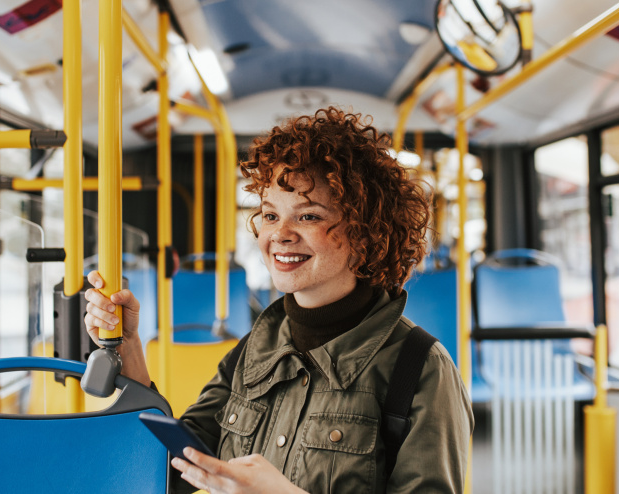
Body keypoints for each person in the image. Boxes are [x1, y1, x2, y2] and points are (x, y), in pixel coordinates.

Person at [84, 107, 474, 493]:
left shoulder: (419, 369)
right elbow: (173, 468)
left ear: (367, 233)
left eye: (308, 217)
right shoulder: (256, 348)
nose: (280, 235)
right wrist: (129, 348)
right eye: (270, 216)